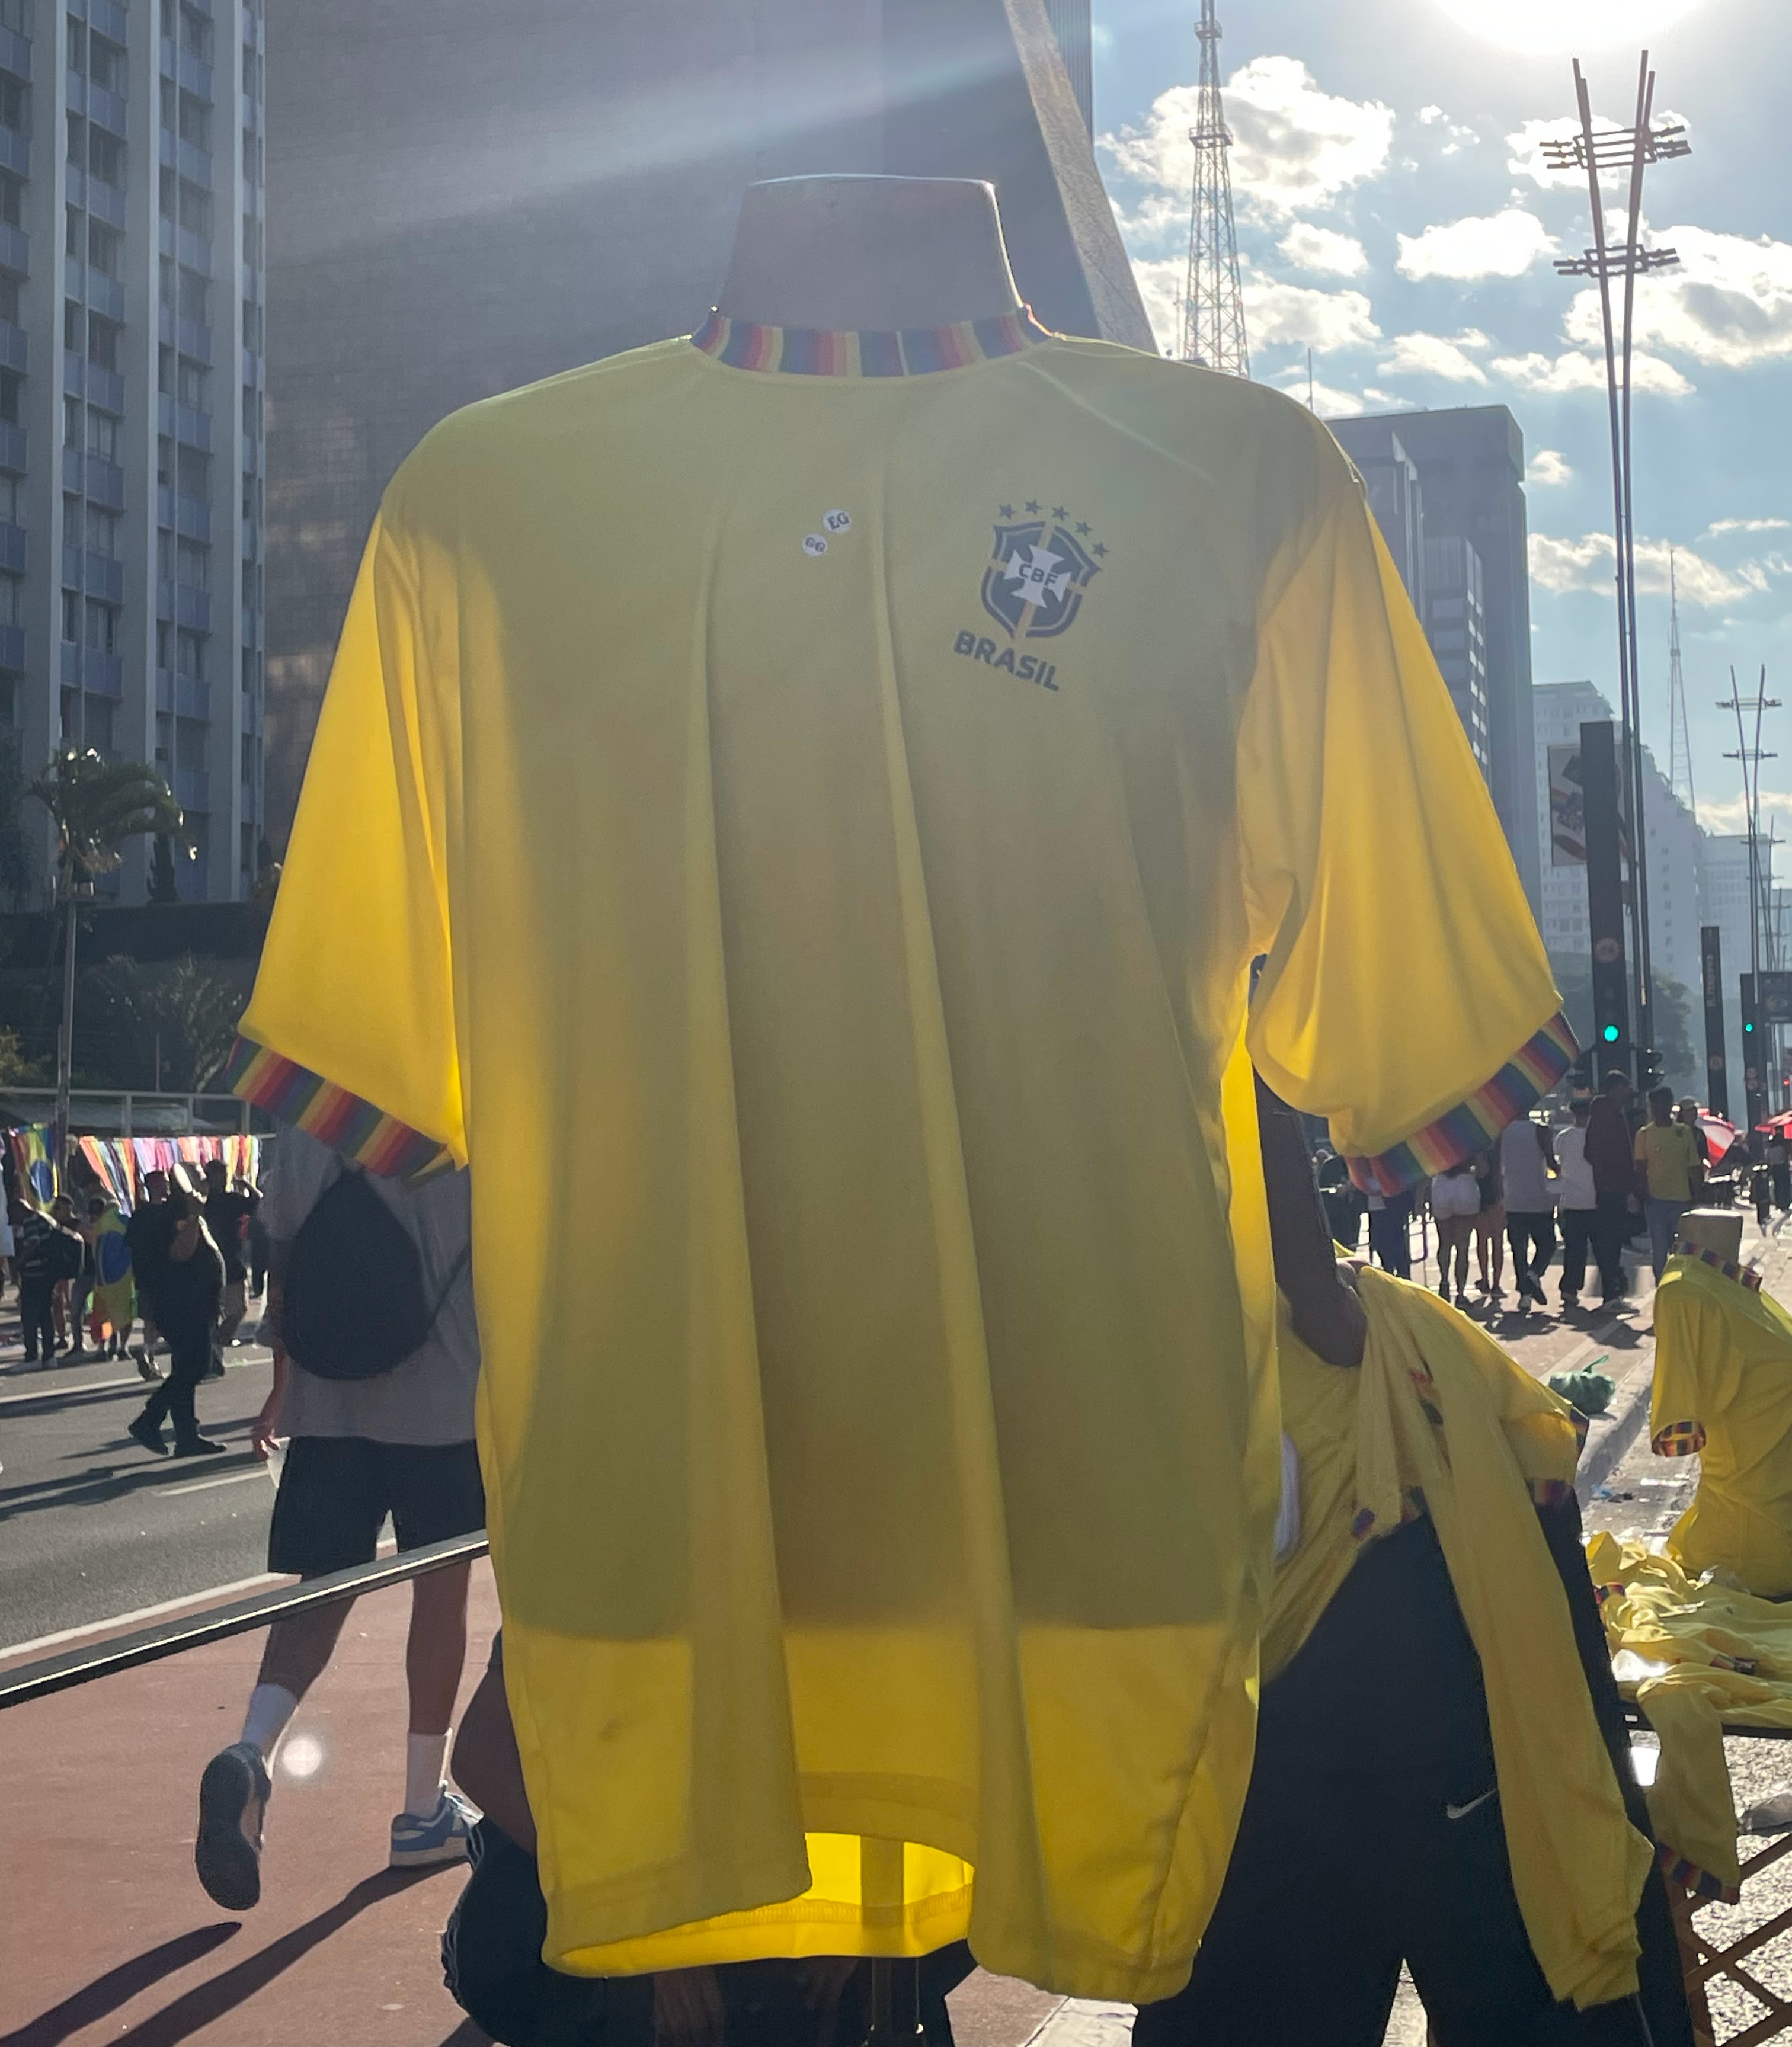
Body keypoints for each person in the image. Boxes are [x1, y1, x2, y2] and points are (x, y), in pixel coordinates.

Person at [193, 1123, 481, 1912]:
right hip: (443, 1394)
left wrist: (284, 1383)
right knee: (440, 1592)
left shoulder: (313, 1111)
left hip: (330, 1397)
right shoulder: (459, 1102)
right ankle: (423, 1807)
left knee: (321, 1586)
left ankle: (253, 1748)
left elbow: (281, 1262)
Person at [445, 1633, 975, 2047]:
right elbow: (483, 1753)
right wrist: (643, 1927)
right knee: (508, 1955)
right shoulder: (624, 1537)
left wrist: (868, 1907)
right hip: (638, 1867)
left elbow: (937, 1736)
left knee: (954, 1911)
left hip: (807, 1868)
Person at [126, 1184, 225, 1456]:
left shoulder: (159, 1218)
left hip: (184, 1306)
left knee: (185, 1366)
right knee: (195, 1366)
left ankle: (187, 1436)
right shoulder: (179, 1219)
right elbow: (180, 1254)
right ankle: (150, 1419)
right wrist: (194, 1218)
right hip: (185, 1307)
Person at [1635, 1085, 1704, 1281]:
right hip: (1655, 1202)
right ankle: (1662, 1286)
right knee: (1659, 1249)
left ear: (1670, 1105)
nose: (1659, 1109)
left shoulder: (1684, 1133)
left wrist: (1697, 1196)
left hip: (1682, 1200)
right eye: (1655, 1105)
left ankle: (1681, 1285)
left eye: (1663, 1104)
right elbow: (1640, 1169)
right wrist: (1642, 1195)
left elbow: (1693, 1168)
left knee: (1683, 1249)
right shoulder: (1644, 1135)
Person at [1585, 1071, 1639, 1306]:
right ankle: (1611, 1293)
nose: (1629, 1093)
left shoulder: (1601, 1113)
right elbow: (1617, 1154)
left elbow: (1590, 1152)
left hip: (1606, 1185)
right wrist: (1627, 1185)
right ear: (1617, 1088)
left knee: (1609, 1240)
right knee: (1611, 1241)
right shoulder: (1611, 1114)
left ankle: (1612, 1290)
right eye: (1626, 1088)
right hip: (1612, 1187)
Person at [1499, 1113, 1557, 1310]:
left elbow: (1497, 1165)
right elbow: (1551, 1161)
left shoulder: (1502, 1133)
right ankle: (1534, 1273)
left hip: (1513, 1199)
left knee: (1519, 1250)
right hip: (1539, 1198)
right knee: (1548, 1244)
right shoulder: (1541, 1130)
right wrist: (1566, 1175)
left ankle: (1525, 1294)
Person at [202, 1157, 255, 1372]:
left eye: (224, 1175)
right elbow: (258, 1200)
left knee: (237, 1311)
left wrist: (245, 1186)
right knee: (219, 1313)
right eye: (218, 1176)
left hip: (231, 1263)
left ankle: (216, 1350)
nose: (222, 1180)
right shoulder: (203, 1203)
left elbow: (258, 1202)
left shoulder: (232, 1200)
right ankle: (213, 1350)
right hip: (213, 1264)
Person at [12, 1199, 76, 1364]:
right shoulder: (44, 1217)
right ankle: (49, 1355)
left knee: (30, 1316)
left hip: (35, 1275)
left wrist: (20, 1263)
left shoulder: (30, 1221)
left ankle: (32, 1356)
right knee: (45, 1316)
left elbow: (33, 1243)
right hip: (48, 1274)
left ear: (19, 1210)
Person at [124, 1168, 172, 1376]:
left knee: (150, 1320)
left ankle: (148, 1354)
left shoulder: (138, 1216)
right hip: (168, 1274)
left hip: (145, 1276)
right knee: (171, 1318)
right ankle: (152, 1355)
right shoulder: (171, 1213)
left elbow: (130, 1244)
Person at [1554, 1098, 1599, 1308]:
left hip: (1570, 1202)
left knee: (1574, 1249)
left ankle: (1570, 1288)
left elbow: (1557, 1162)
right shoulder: (1597, 1138)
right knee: (1601, 1249)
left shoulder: (1563, 1139)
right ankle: (1611, 1287)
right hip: (1595, 1200)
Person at [1428, 1161, 1480, 1307]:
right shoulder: (1469, 1141)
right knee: (1463, 1247)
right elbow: (1483, 1169)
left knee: (1444, 1242)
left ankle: (1444, 1282)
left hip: (1441, 1183)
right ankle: (1461, 1293)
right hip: (1465, 1182)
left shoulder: (1438, 1138)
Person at [1471, 1148, 1505, 1298]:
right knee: (1498, 1242)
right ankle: (1496, 1283)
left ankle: (1485, 1279)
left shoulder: (1479, 1150)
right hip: (1498, 1199)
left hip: (1482, 1199)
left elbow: (1480, 1172)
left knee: (1482, 1241)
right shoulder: (1500, 1150)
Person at [1366, 1187, 1415, 1281]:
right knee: (1382, 1245)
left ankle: (1402, 1276)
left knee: (1396, 1245)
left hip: (1392, 1204)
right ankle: (1393, 1274)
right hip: (1376, 1206)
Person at [1769, 1129, 1792, 1214]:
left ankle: (1778, 1203)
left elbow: (1769, 1160)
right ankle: (1785, 1202)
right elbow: (1785, 1158)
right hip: (1783, 1167)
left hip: (1775, 1168)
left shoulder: (1771, 1149)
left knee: (1778, 1186)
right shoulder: (1783, 1148)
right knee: (1785, 1185)